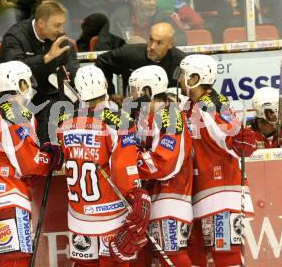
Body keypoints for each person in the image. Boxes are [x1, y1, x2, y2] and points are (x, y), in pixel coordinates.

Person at [0, 61, 62, 267]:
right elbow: (29, 164)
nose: (31, 87)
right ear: (19, 83)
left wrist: (41, 151)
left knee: (9, 260)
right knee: (16, 261)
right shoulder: (15, 112)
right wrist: (51, 158)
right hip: (5, 198)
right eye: (28, 82)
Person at [56, 65, 151, 266]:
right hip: (111, 215)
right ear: (106, 85)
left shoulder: (64, 122)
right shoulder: (120, 121)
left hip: (78, 216)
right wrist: (136, 193)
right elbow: (123, 169)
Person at [177, 54, 257, 266]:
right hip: (201, 192)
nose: (178, 79)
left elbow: (235, 139)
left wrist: (239, 139)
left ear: (195, 78)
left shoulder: (212, 104)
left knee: (225, 253)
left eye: (183, 74)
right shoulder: (189, 106)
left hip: (222, 192)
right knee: (198, 255)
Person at [128, 65, 194, 266]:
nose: (130, 96)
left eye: (133, 90)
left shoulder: (169, 113)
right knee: (141, 256)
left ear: (147, 90)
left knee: (170, 253)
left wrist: (130, 162)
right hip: (150, 197)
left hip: (171, 195)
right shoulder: (144, 115)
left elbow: (166, 162)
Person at [0, 0, 79, 143]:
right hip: (10, 99)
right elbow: (14, 68)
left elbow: (70, 69)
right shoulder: (15, 36)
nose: (61, 29)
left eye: (62, 24)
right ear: (41, 23)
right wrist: (47, 57)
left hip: (41, 95)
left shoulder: (60, 39)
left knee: (46, 138)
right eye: (57, 25)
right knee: (17, 144)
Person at [96, 22, 185, 95]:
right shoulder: (130, 53)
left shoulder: (180, 61)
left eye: (159, 43)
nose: (152, 47)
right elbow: (102, 62)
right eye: (151, 40)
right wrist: (110, 93)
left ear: (170, 44)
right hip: (132, 109)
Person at [105, 0, 186, 46]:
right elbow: (104, 45)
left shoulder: (163, 19)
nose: (152, 2)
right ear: (134, 0)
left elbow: (182, 41)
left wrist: (148, 44)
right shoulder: (119, 18)